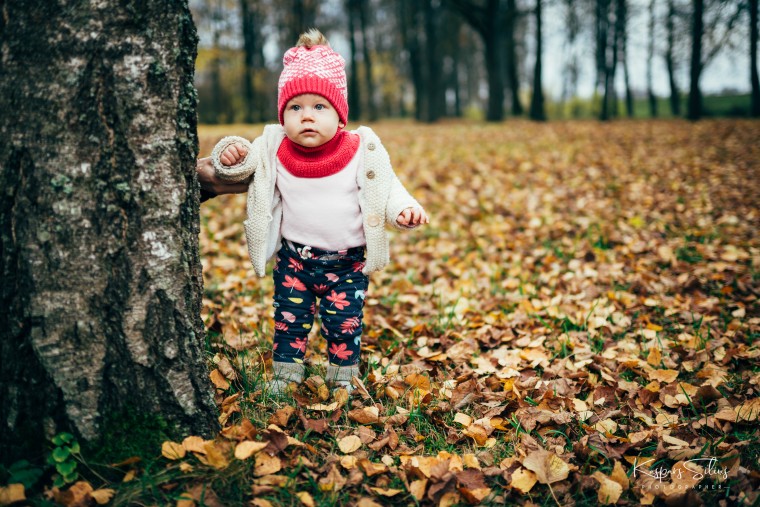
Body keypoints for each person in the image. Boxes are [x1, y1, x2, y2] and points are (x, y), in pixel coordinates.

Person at [209, 29, 428, 395]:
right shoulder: (274, 146)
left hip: (347, 263)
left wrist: (404, 208)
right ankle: (285, 374)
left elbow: (386, 188)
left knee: (344, 324)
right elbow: (240, 165)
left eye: (318, 107)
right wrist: (229, 152)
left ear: (340, 115)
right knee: (289, 321)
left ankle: (343, 377)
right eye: (295, 108)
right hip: (294, 260)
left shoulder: (361, 149)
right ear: (283, 116)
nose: (306, 117)